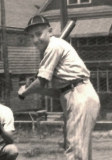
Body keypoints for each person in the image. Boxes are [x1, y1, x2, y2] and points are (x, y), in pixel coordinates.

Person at [18, 15, 100, 160]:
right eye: (32, 36)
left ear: (50, 31)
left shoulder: (53, 46)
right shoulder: (51, 49)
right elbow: (59, 92)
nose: (36, 40)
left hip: (79, 95)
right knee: (79, 151)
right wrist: (34, 89)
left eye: (39, 34)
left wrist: (25, 92)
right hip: (74, 95)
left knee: (75, 152)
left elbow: (41, 81)